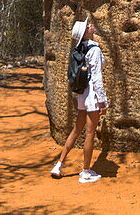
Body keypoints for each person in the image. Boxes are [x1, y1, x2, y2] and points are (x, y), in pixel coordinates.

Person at [50, 17, 109, 183]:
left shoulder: (79, 49)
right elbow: (97, 78)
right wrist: (103, 102)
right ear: (85, 33)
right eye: (88, 26)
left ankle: (59, 165)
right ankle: (86, 172)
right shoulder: (94, 50)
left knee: (76, 130)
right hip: (92, 97)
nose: (91, 26)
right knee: (89, 133)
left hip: (82, 95)